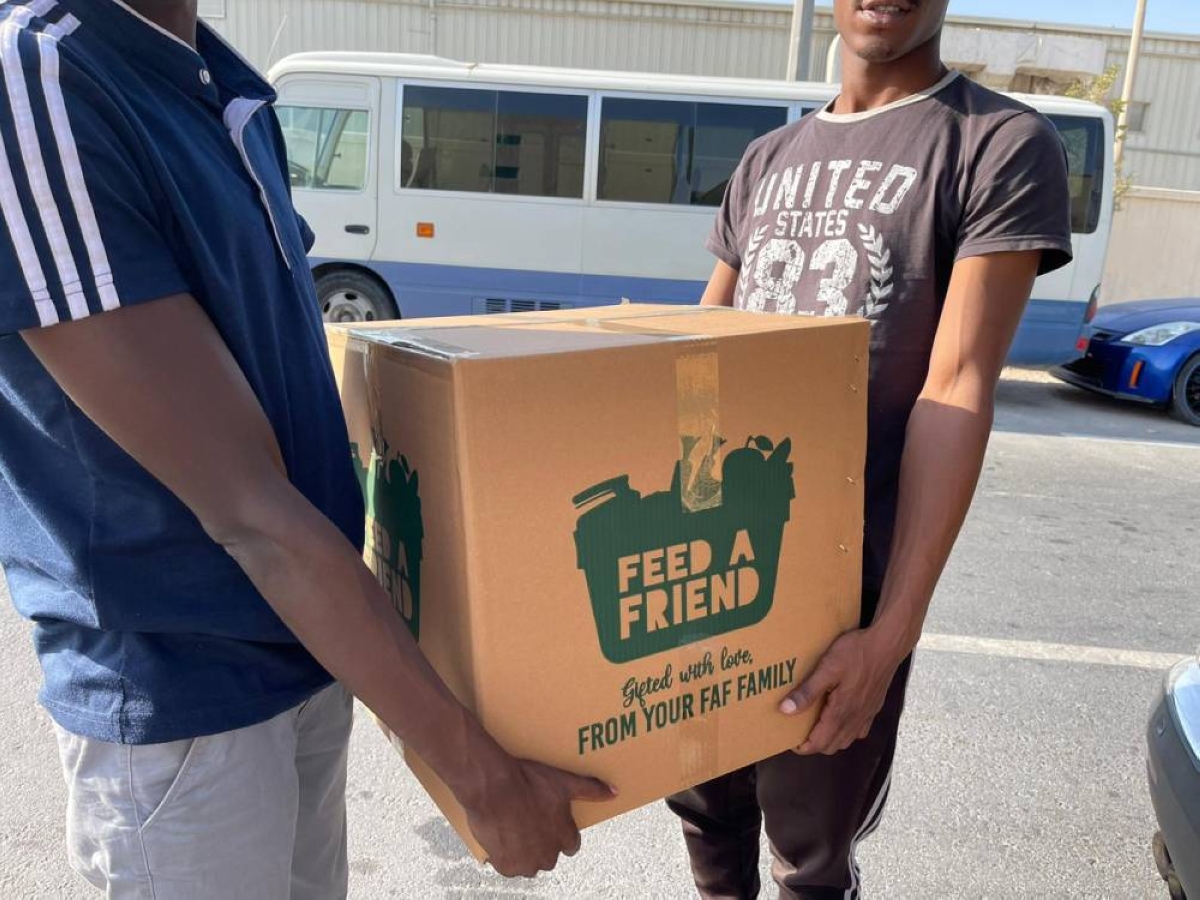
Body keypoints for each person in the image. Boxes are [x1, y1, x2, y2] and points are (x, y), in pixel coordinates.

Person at [0, 1, 610, 897]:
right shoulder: (38, 75)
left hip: (302, 661)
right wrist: (478, 774)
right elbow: (249, 511)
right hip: (188, 700)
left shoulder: (217, 79)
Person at [667, 1, 1072, 897]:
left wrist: (888, 635)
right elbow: (702, 365)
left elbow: (956, 385)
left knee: (807, 857)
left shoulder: (996, 142)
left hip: (844, 594)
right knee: (704, 814)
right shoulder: (767, 160)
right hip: (723, 567)